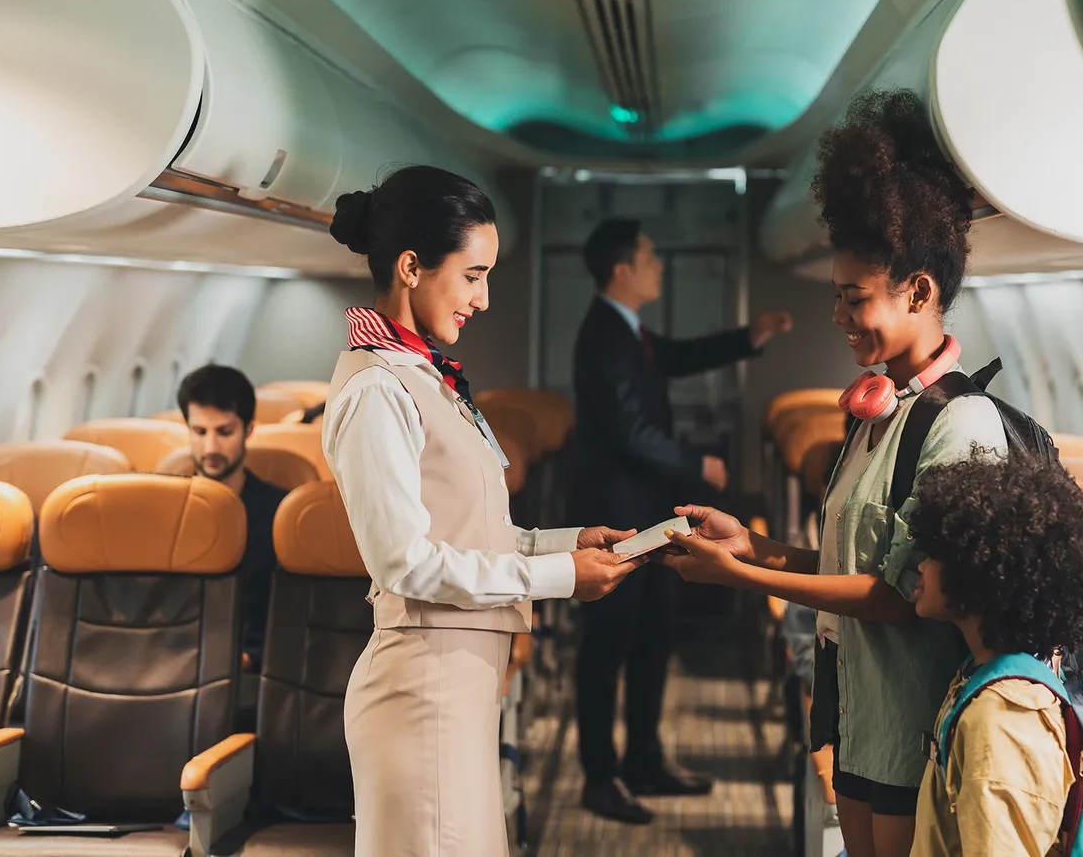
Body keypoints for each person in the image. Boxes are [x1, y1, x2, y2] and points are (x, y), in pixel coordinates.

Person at [659, 89, 1008, 857]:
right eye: (836, 297)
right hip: (857, 718)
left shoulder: (962, 427)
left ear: (920, 291)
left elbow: (899, 598)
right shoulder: (873, 412)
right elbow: (848, 564)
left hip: (918, 732)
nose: (840, 316)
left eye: (856, 299)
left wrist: (743, 579)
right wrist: (751, 545)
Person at [323, 166, 641, 857]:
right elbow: (404, 561)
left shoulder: (423, 376)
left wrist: (568, 543)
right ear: (412, 267)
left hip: (458, 691)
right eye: (473, 275)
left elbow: (473, 535)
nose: (485, 298)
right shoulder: (377, 389)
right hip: (420, 698)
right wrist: (561, 578)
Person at [568, 216, 793, 824]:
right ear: (621, 269)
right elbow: (629, 432)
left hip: (651, 515)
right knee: (607, 646)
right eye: (649, 257)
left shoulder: (631, 332)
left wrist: (751, 336)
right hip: (616, 518)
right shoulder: (602, 337)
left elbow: (681, 355)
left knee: (651, 638)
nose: (658, 266)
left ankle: (644, 760)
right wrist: (699, 463)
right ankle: (599, 777)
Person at [905, 454, 1083, 857]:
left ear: (980, 573)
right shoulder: (979, 678)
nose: (921, 566)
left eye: (936, 554)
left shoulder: (1004, 719)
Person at [177, 363, 286, 673]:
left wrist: (250, 657)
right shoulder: (166, 511)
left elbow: (284, 614)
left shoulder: (280, 514)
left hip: (251, 670)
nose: (210, 447)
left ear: (248, 430)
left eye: (224, 432)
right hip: (172, 665)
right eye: (199, 432)